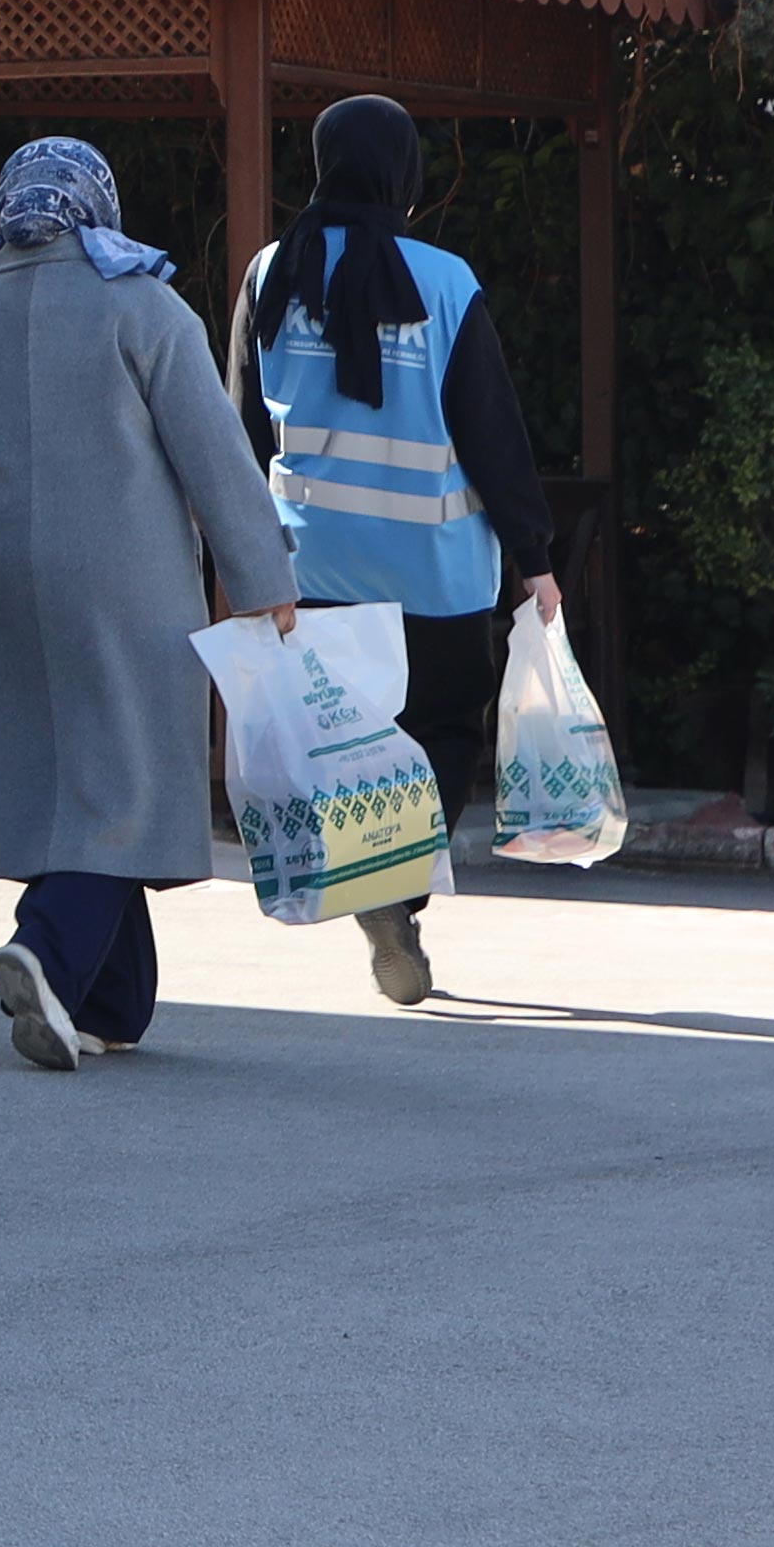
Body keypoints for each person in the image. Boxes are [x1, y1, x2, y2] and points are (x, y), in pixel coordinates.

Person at [0, 139, 297, 1066]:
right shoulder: (141, 303)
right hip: (121, 576)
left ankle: (111, 1002)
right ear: (95, 202)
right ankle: (46, 946)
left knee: (50, 771)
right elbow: (213, 455)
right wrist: (265, 581)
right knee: (128, 768)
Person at [226, 95, 557, 1009]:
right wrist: (535, 558)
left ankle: (371, 881)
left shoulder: (270, 273)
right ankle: (395, 892)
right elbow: (492, 434)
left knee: (342, 740)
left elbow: (243, 430)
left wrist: (242, 559)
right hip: (435, 570)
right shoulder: (447, 283)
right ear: (405, 172)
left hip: (311, 568)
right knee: (441, 734)